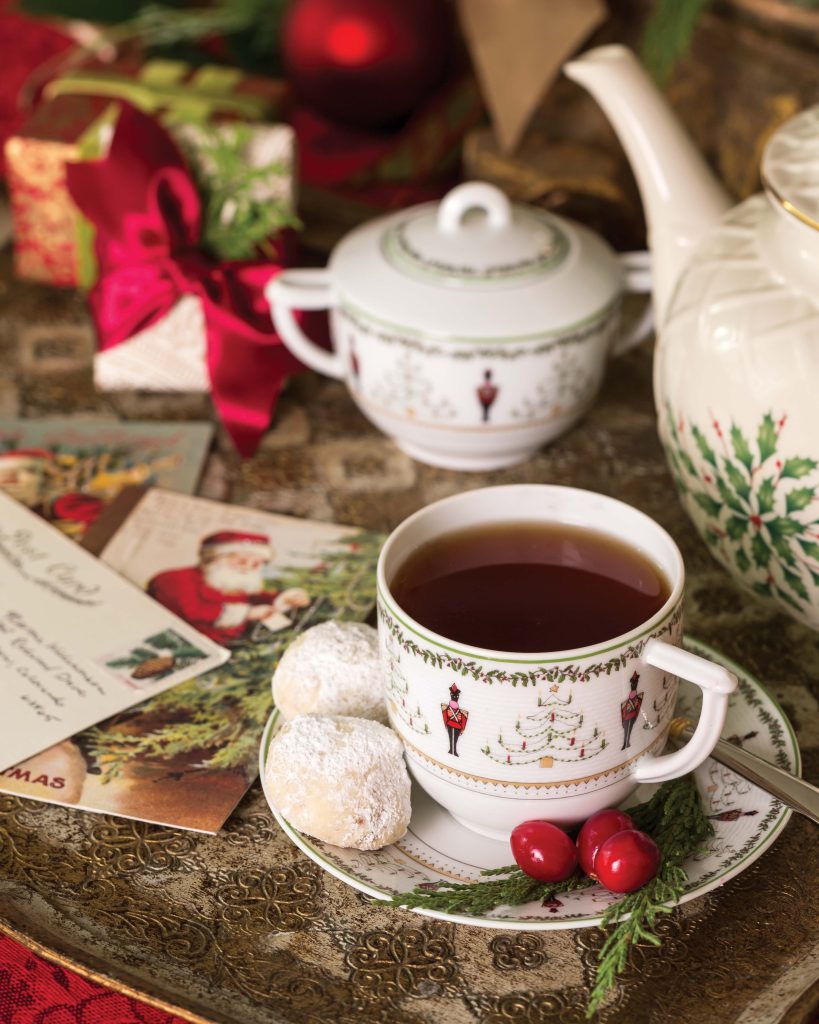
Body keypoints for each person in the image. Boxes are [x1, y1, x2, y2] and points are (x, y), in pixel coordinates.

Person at [147, 531, 310, 645]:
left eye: (256, 564)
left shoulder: (231, 582)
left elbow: (254, 597)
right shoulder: (175, 579)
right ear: (217, 558)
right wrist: (248, 613)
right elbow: (195, 611)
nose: (247, 568)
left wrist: (288, 597)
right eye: (241, 561)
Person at [441, 682, 469, 756]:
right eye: (453, 696)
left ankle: (454, 750)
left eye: (455, 696)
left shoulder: (458, 710)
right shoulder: (448, 708)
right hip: (451, 724)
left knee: (455, 739)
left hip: (457, 726)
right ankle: (451, 749)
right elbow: (445, 714)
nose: (454, 698)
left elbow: (463, 717)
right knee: (451, 738)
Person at [620, 671, 644, 750]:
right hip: (628, 715)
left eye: (634, 683)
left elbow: (635, 702)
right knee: (627, 730)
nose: (633, 685)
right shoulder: (633, 693)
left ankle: (626, 743)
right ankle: (625, 743)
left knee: (628, 729)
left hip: (631, 715)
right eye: (633, 684)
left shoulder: (635, 693)